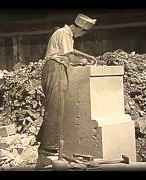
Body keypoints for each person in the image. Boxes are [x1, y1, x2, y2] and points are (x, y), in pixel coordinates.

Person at [35, 13, 97, 168]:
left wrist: (86, 55)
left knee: (57, 109)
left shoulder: (65, 34)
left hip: (57, 69)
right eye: (83, 32)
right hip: (55, 69)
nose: (82, 36)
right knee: (55, 109)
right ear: (80, 27)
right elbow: (69, 56)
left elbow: (71, 50)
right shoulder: (63, 34)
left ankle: (45, 148)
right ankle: (47, 152)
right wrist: (82, 61)